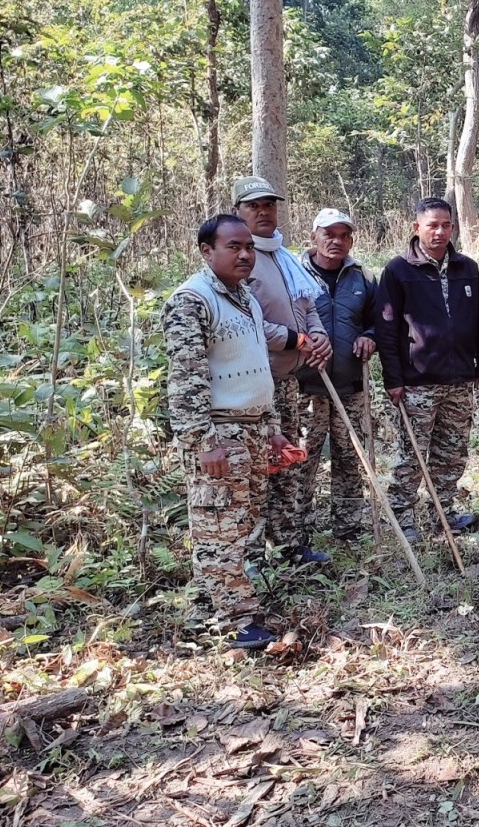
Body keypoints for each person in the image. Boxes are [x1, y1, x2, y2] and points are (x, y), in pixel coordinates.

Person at [163, 214, 294, 650]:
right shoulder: (192, 301)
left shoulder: (246, 299)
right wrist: (204, 444)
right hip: (221, 435)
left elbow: (257, 369)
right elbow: (186, 382)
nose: (244, 254)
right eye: (233, 247)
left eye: (249, 248)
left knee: (240, 525)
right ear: (206, 250)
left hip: (253, 430)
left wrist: (272, 428)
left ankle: (206, 606)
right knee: (220, 527)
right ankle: (238, 620)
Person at [231, 175, 333, 564]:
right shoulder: (240, 258)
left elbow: (307, 306)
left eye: (269, 205)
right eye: (254, 206)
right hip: (258, 382)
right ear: (239, 212)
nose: (263, 212)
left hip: (289, 382)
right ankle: (254, 556)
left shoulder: (283, 256)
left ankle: (290, 542)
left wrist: (318, 337)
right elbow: (250, 320)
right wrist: (298, 341)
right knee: (259, 466)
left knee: (290, 459)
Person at [375, 198, 479, 539]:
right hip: (416, 383)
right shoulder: (398, 271)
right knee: (411, 455)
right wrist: (394, 379)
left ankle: (443, 511)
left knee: (452, 452)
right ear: (417, 228)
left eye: (445, 225)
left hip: (459, 380)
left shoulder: (466, 268)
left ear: (452, 227)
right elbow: (386, 329)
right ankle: (403, 517)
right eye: (432, 225)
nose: (439, 232)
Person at [297, 208, 379, 543]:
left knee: (350, 454)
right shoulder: (295, 274)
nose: (337, 241)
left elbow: (378, 321)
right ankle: (296, 530)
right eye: (329, 234)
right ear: (313, 235)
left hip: (350, 384)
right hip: (305, 386)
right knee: (303, 458)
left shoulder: (362, 277)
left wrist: (370, 336)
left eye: (344, 235)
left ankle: (347, 527)